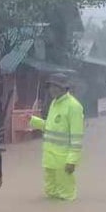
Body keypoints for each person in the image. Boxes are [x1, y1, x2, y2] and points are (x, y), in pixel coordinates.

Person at [29, 73, 84, 201]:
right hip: (49, 159)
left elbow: (77, 137)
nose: (52, 90)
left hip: (63, 161)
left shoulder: (74, 107)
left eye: (56, 86)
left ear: (65, 88)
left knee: (66, 197)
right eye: (51, 86)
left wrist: (72, 161)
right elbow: (50, 127)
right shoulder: (54, 103)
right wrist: (32, 120)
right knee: (50, 193)